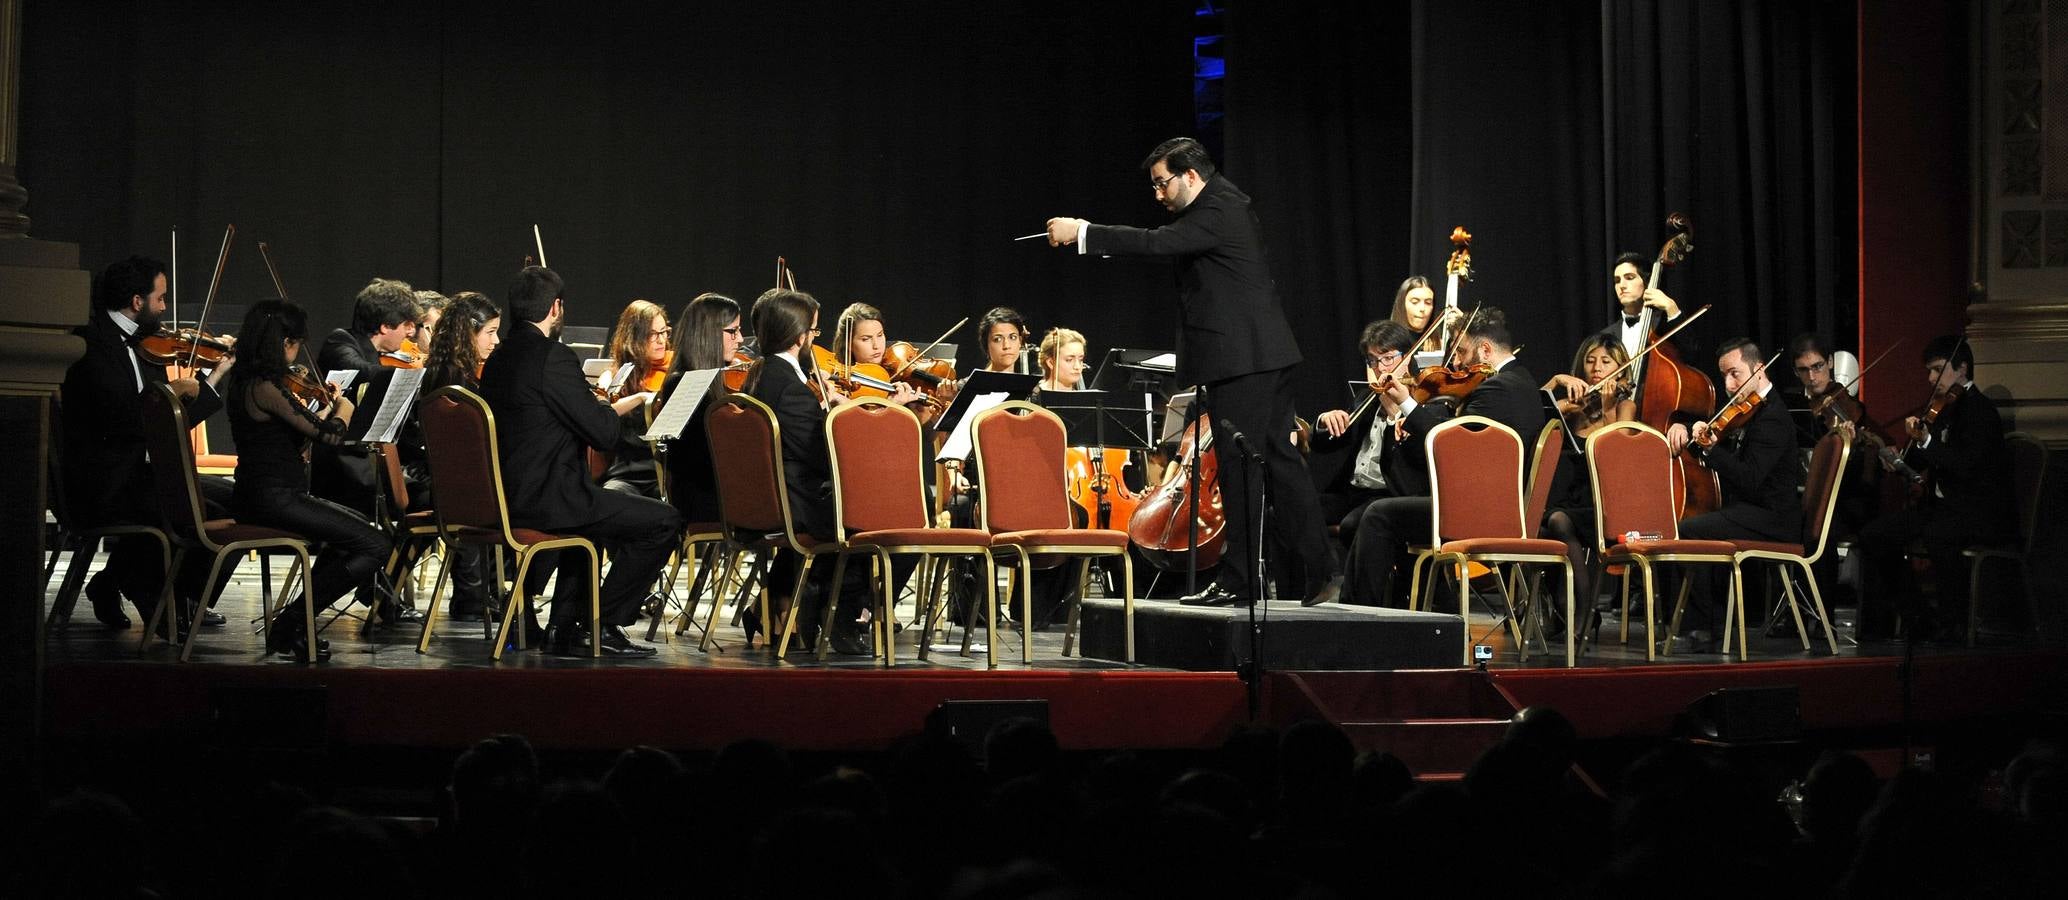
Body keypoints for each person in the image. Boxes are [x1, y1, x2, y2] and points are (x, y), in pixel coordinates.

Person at [1046, 136, 1338, 607]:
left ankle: (1244, 580)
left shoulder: (1217, 209)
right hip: (1260, 356)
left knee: (1242, 470)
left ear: (1191, 176)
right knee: (1278, 465)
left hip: (1245, 360)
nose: (1158, 194)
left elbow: (1156, 243)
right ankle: (1320, 568)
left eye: (1163, 184)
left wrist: (1083, 231)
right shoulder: (1219, 205)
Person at [477, 266, 680, 657]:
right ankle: (600, 622)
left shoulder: (499, 359)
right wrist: (603, 403)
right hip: (546, 500)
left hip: (503, 496)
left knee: (596, 524)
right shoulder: (552, 357)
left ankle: (563, 627)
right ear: (555, 308)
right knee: (663, 521)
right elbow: (603, 434)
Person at [60, 255, 237, 629]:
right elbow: (118, 418)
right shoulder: (90, 345)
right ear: (137, 302)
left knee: (239, 499)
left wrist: (215, 375)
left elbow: (171, 422)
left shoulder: (149, 345)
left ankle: (150, 589)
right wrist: (171, 391)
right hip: (105, 480)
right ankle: (160, 597)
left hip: (140, 474)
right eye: (161, 298)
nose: (165, 307)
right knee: (194, 509)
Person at [739, 289, 919, 654]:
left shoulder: (762, 375)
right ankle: (844, 613)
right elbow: (828, 457)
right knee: (902, 522)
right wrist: (885, 416)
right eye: (815, 333)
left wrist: (827, 408)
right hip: (798, 503)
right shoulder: (790, 386)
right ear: (799, 336)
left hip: (773, 498)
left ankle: (780, 604)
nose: (814, 340)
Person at [222, 299, 391, 662]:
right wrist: (345, 408)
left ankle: (294, 623)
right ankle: (291, 623)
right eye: (297, 343)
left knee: (350, 537)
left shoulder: (247, 382)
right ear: (285, 343)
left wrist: (325, 409)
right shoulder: (265, 387)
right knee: (375, 544)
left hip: (263, 494)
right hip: (275, 498)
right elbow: (329, 436)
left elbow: (296, 432)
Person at [1341, 307, 1543, 607]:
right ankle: (1426, 606)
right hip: (1493, 508)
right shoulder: (1519, 380)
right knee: (1381, 515)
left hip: (1482, 514)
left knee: (1379, 515)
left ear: (1485, 350)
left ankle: (1362, 614)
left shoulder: (1498, 389)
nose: (1457, 363)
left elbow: (1452, 446)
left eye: (1461, 351)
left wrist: (1408, 406)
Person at [1854, 337, 2012, 641]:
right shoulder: (1941, 409)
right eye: (1929, 371)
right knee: (1874, 535)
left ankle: (1953, 625)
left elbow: (1965, 467)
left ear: (1962, 369)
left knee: (1938, 533)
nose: (1930, 379)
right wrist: (1896, 459)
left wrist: (1928, 441)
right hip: (1941, 510)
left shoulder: (1981, 411)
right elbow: (1918, 459)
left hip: (1976, 511)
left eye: (1938, 370)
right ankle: (1918, 616)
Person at [1664, 338, 1801, 649]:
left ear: (1759, 370)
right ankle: (1698, 622)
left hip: (1773, 518)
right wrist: (1687, 429)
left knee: (1687, 531)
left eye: (1735, 374)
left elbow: (1750, 477)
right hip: (1751, 511)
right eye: (1723, 375)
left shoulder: (1773, 417)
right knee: (1690, 525)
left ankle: (1699, 628)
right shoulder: (1747, 413)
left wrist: (1712, 449)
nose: (1727, 384)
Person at [1539, 334, 1638, 617]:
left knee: (1559, 521)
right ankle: (1567, 610)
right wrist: (1557, 382)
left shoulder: (1624, 407)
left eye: (1606, 362)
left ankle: (1582, 610)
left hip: (1606, 503)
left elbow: (1617, 456)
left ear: (1620, 368)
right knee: (1546, 524)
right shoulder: (1574, 408)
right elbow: (1533, 411)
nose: (1596, 368)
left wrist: (1606, 410)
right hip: (1569, 500)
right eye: (1590, 361)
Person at [419, 290, 502, 621]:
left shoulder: (442, 371)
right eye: (491, 332)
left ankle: (481, 590)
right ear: (468, 332)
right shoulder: (458, 380)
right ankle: (481, 591)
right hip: (461, 490)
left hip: (449, 484)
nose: (496, 341)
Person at [1308, 320, 1421, 542]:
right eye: (1373, 360)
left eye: (1388, 358)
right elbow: (1325, 444)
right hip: (1351, 492)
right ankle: (1321, 576)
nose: (1380, 368)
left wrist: (1395, 415)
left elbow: (1413, 465)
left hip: (1387, 494)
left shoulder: (1418, 404)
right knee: (1290, 513)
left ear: (1407, 358)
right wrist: (1324, 421)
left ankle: (1350, 577)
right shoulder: (1365, 398)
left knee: (1353, 525)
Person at [660, 292, 744, 526]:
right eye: (732, 331)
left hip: (721, 489)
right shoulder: (683, 384)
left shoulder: (717, 379)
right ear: (708, 333)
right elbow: (692, 461)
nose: (741, 339)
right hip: (704, 497)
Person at [596, 299, 672, 498]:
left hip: (664, 473)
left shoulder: (674, 371)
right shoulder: (612, 376)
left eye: (664, 332)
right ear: (634, 338)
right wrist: (639, 398)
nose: (661, 340)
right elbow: (599, 414)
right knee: (611, 497)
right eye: (652, 334)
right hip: (626, 474)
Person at [1604, 251, 1686, 360]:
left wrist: (1671, 307)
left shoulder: (1664, 323)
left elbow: (1690, 354)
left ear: (1647, 282)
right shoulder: (1606, 335)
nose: (1622, 286)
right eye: (1617, 281)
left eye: (1629, 278)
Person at [1035, 326, 1088, 394]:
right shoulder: (1034, 397)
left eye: (1080, 359)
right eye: (1069, 360)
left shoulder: (1085, 398)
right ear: (1051, 363)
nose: (1077, 367)